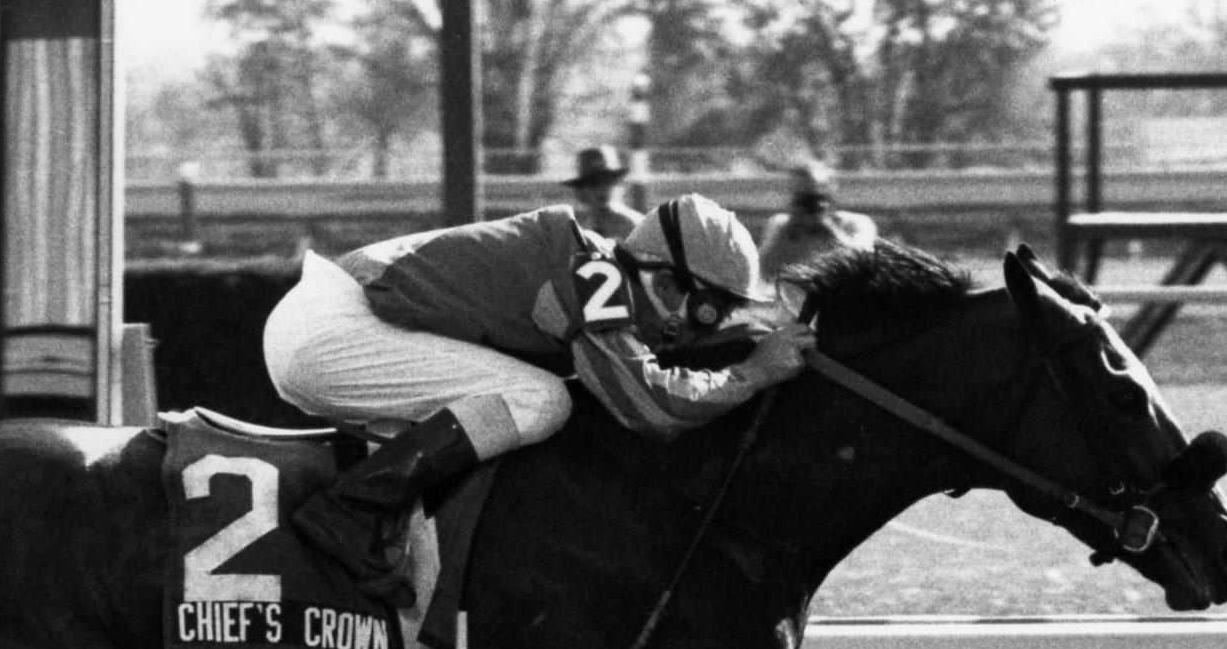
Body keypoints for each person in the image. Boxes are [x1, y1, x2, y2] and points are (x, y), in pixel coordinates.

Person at [264, 192, 814, 607]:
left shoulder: (598, 270)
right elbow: (650, 407)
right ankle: (351, 509)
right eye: (707, 309)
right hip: (329, 333)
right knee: (541, 400)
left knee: (515, 411)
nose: (700, 328)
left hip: (331, 323)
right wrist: (751, 375)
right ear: (667, 283)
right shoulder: (595, 274)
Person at [757, 158, 878, 286]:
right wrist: (789, 229)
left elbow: (865, 265)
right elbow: (765, 274)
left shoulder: (856, 224)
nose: (813, 206)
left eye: (817, 198)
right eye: (803, 199)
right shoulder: (780, 225)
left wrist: (830, 230)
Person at [563, 144, 646, 241]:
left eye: (607, 182)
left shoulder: (635, 227)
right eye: (594, 184)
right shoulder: (575, 228)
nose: (602, 190)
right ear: (581, 190)